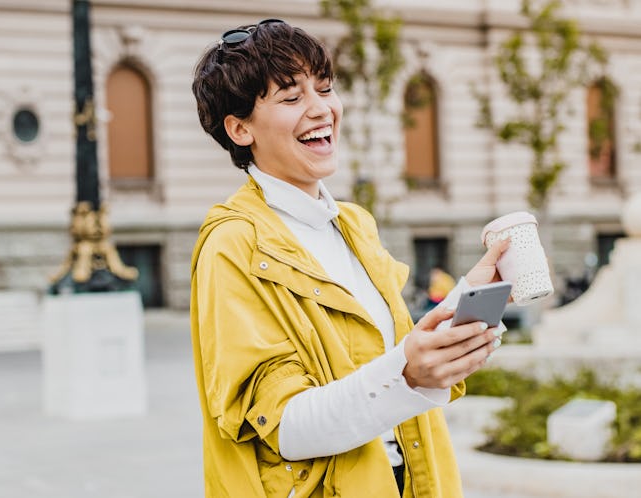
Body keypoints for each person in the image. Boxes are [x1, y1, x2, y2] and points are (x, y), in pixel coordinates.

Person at [190, 19, 510, 498]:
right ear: (239, 129)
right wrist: (405, 372)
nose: (322, 109)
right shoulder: (233, 245)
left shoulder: (353, 224)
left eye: (325, 88)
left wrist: (468, 301)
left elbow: (388, 359)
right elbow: (283, 426)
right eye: (291, 97)